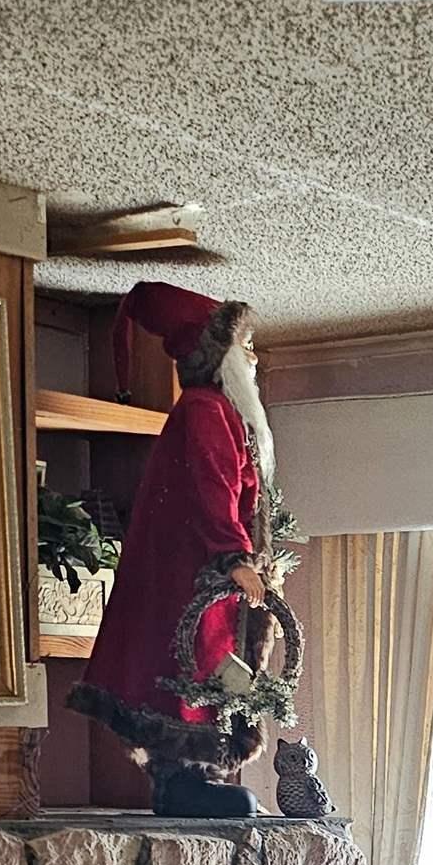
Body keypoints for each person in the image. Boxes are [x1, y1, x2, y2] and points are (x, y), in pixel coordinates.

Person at [70, 281, 283, 809]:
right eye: (245, 346)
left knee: (202, 670)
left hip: (201, 573)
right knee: (190, 667)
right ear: (219, 355)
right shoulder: (206, 410)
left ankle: (185, 778)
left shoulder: (215, 411)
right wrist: (234, 556)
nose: (253, 357)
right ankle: (178, 778)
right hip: (198, 575)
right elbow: (214, 484)